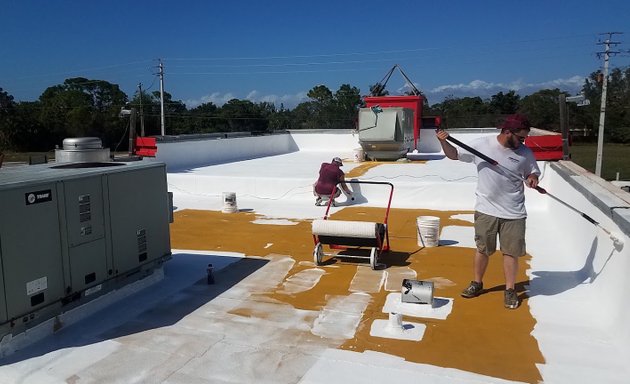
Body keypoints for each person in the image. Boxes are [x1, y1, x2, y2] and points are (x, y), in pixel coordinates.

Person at [436, 114, 541, 309]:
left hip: (514, 211)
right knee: (483, 250)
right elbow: (454, 154)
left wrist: (533, 177)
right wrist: (443, 142)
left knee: (511, 253)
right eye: (520, 137)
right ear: (508, 132)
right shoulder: (481, 145)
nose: (523, 141)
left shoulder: (524, 152)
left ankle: (510, 290)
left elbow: (532, 171)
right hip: (486, 209)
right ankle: (477, 283)